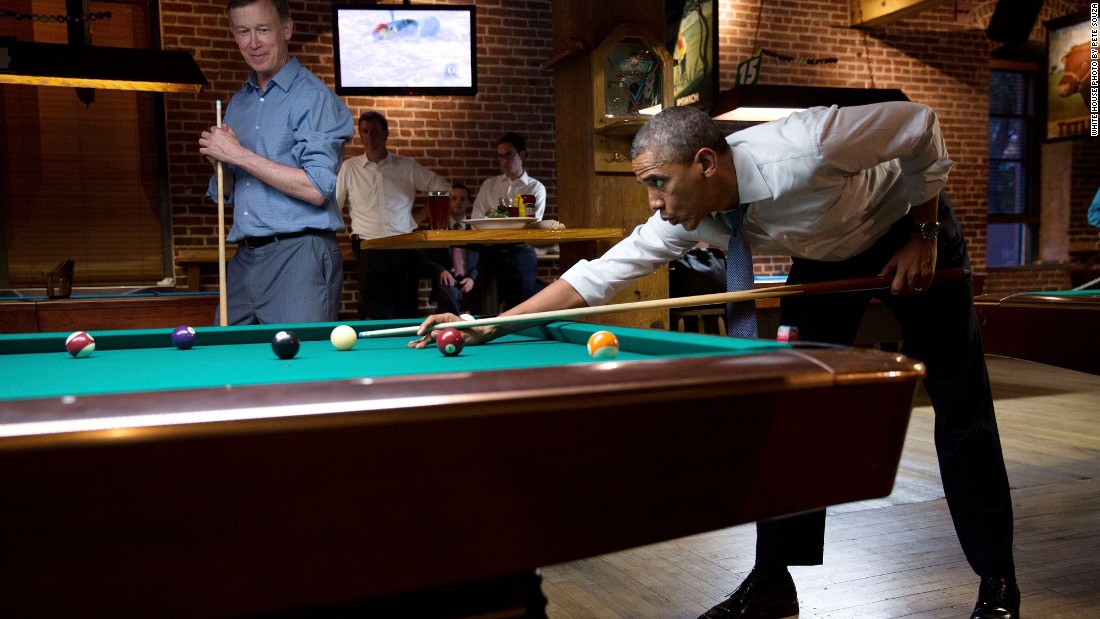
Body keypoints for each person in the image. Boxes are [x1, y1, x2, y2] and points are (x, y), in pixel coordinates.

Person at [412, 103, 1019, 619]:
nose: (653, 202)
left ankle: (997, 584)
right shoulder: (687, 214)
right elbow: (596, 277)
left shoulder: (809, 144)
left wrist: (925, 229)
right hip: (825, 254)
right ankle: (773, 584)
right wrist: (485, 325)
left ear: (705, 164)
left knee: (959, 404)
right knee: (794, 408)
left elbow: (919, 125)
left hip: (906, 224)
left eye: (659, 183)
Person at [198, 0, 353, 324]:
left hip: (299, 256)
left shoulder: (313, 98)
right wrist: (219, 160)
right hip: (245, 259)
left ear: (286, 29)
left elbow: (316, 188)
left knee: (302, 369)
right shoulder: (238, 103)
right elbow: (226, 194)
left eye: (263, 30)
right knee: (225, 362)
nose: (253, 42)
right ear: (234, 35)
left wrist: (237, 154)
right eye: (243, 31)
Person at [336, 111, 451, 319]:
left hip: (404, 249)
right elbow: (334, 206)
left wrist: (417, 217)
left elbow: (443, 188)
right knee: (380, 316)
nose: (371, 136)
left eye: (376, 131)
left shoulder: (406, 166)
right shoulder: (349, 168)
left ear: (386, 134)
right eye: (365, 131)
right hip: (369, 250)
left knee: (406, 312)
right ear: (360, 135)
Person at [470, 132, 548, 311]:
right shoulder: (489, 185)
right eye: (500, 156)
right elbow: (476, 218)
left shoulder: (535, 188)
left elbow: (532, 223)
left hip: (521, 253)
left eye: (509, 154)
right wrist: (510, 222)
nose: (504, 160)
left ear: (522, 155)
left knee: (521, 312)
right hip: (490, 253)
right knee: (485, 310)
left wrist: (493, 220)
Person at [420, 183, 480, 314]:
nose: (458, 202)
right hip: (446, 279)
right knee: (450, 294)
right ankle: (451, 330)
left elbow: (483, 260)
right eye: (454, 198)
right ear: (448, 201)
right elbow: (424, 258)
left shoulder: (476, 229)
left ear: (469, 203)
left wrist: (472, 278)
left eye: (462, 199)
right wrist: (440, 271)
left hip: (469, 279)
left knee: (486, 293)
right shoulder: (436, 227)